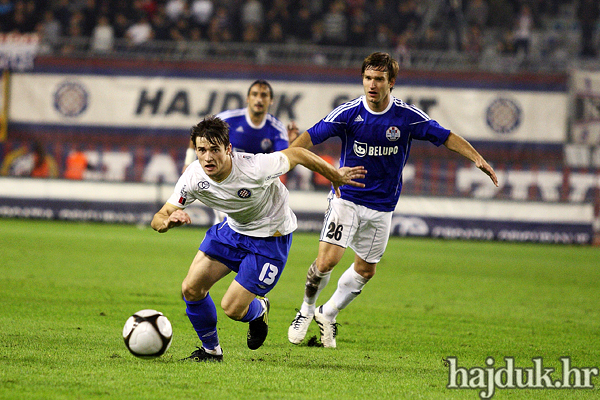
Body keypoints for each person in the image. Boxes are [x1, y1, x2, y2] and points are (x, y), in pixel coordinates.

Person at [287, 52, 498, 349]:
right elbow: (308, 139)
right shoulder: (348, 113)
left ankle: (328, 312)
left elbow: (446, 136)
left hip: (382, 207)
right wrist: (290, 163)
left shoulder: (407, 117)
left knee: (366, 270)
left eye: (379, 79)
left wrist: (477, 158)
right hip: (346, 198)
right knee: (327, 261)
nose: (372, 85)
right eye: (368, 78)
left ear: (392, 82)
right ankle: (306, 310)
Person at [151, 115, 366, 362]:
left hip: (270, 238)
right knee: (190, 289)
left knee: (232, 308)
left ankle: (259, 310)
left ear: (228, 149)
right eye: (201, 150)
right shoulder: (193, 177)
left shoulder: (255, 167)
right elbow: (158, 217)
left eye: (214, 149)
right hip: (233, 230)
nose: (208, 157)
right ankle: (211, 351)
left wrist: (333, 175)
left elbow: (297, 154)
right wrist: (167, 222)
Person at [183, 79, 299, 171]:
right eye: (254, 94)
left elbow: (283, 165)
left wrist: (291, 144)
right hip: (227, 177)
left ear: (271, 100)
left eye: (264, 95)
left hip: (256, 185)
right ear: (248, 98)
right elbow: (198, 135)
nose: (259, 99)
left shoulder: (277, 129)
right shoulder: (228, 119)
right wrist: (188, 163)